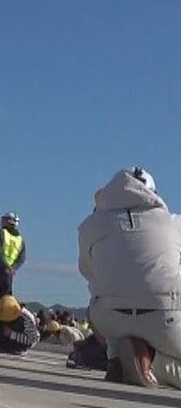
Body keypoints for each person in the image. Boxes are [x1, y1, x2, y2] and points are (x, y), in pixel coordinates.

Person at [77, 167, 181, 389]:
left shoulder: (90, 226)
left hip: (109, 320)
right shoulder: (174, 223)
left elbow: (88, 272)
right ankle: (152, 362)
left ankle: (118, 358)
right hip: (165, 319)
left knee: (104, 297)